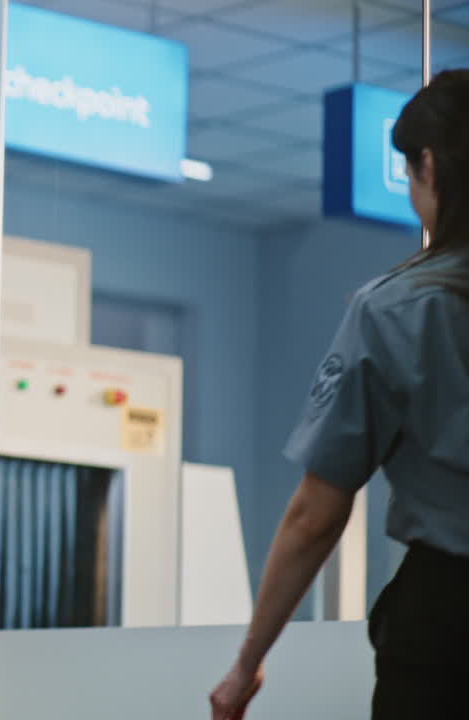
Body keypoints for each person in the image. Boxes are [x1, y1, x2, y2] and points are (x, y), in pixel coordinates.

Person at [210, 69, 469, 720]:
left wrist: (245, 666)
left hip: (448, 623)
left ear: (430, 167)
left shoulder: (398, 309)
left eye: (410, 176)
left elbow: (316, 515)